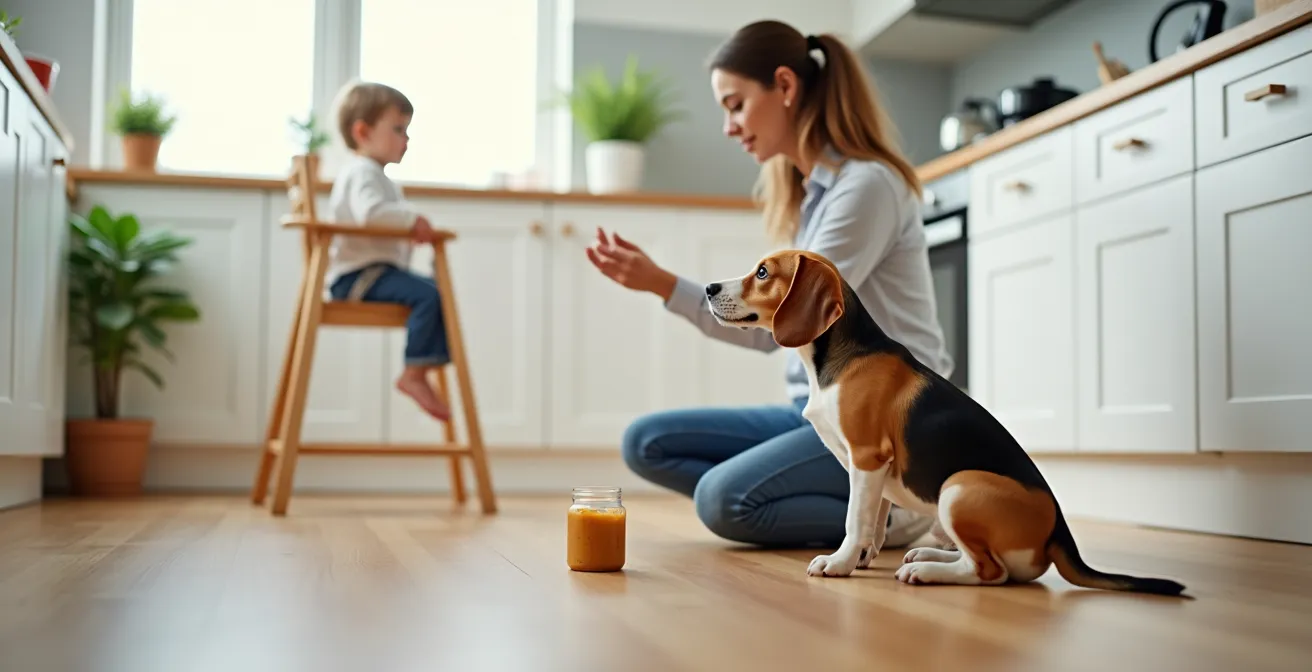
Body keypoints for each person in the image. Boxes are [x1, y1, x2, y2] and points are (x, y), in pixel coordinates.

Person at [585, 20, 953, 550]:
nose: (729, 126)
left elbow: (778, 327)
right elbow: (773, 330)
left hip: (884, 422)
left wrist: (663, 283)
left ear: (784, 86)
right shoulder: (813, 196)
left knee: (722, 499)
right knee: (647, 443)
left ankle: (897, 512)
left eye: (735, 105)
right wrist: (658, 285)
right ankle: (833, 499)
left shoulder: (865, 187)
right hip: (813, 411)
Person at [326, 81, 452, 422]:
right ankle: (415, 373)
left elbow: (378, 219)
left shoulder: (379, 178)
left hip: (374, 273)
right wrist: (411, 220)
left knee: (436, 293)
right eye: (398, 129)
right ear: (363, 131)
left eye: (407, 131)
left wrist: (406, 230)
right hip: (359, 278)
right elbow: (371, 214)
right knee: (431, 296)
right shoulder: (362, 173)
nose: (406, 140)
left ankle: (422, 368)